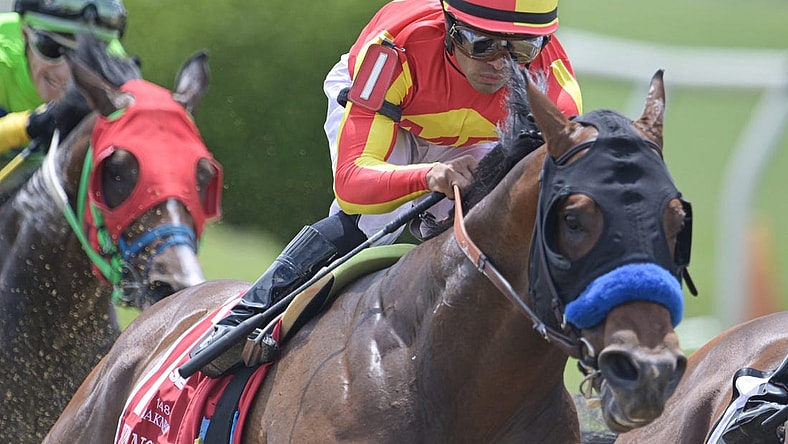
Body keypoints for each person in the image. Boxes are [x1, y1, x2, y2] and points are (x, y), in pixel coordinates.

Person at [194, 0, 583, 377]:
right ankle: (246, 319)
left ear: (542, 43)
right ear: (449, 28)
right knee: (374, 218)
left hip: (474, 136)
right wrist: (428, 175)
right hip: (389, 117)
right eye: (480, 44)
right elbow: (352, 182)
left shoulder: (555, 80)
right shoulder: (395, 49)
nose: (500, 64)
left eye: (521, 49)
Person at [0, 0, 126, 186]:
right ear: (24, 35)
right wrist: (29, 125)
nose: (65, 74)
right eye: (51, 48)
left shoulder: (112, 68)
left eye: (85, 58)